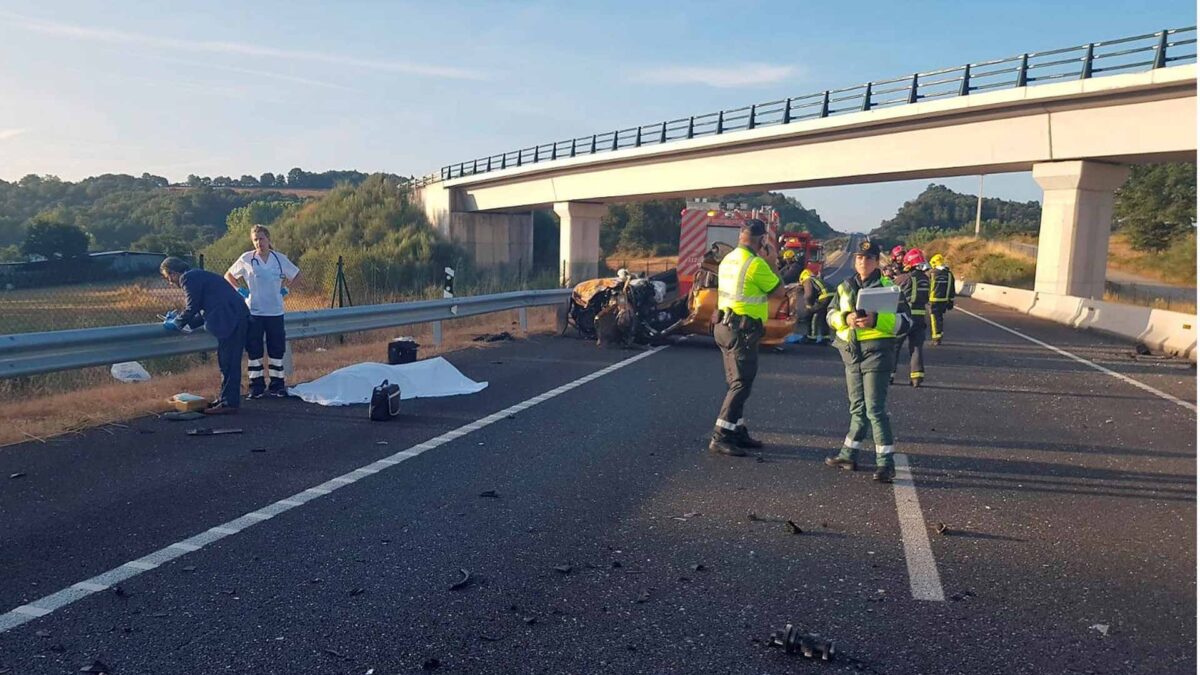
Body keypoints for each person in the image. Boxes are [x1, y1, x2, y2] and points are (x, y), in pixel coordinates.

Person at [824, 240, 912, 482]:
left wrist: (876, 321)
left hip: (878, 353)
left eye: (869, 258)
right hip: (852, 353)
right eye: (859, 258)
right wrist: (845, 317)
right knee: (857, 407)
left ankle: (886, 464)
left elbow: (905, 322)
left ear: (877, 261)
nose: (863, 262)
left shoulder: (888, 287)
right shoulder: (844, 287)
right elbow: (830, 315)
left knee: (874, 409)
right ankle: (848, 455)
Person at [709, 219, 787, 457]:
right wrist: (772, 262)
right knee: (742, 382)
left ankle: (736, 430)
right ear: (762, 240)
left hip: (723, 325)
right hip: (741, 330)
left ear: (741, 236)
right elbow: (779, 290)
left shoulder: (729, 259)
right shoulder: (756, 264)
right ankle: (721, 436)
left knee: (737, 380)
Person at [160, 257, 250, 414]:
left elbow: (192, 306)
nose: (170, 282)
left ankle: (229, 403)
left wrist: (177, 323)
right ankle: (225, 399)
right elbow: (206, 308)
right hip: (234, 317)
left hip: (230, 320)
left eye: (168, 277)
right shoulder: (198, 275)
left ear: (173, 273)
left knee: (228, 362)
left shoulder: (187, 278)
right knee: (228, 362)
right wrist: (186, 323)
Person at [225, 225, 301, 398]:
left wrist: (286, 290)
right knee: (254, 349)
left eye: (262, 238)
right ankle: (256, 385)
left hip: (275, 311)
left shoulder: (279, 259)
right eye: (255, 240)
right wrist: (240, 290)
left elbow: (297, 275)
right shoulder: (246, 258)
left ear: (268, 239)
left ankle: (277, 384)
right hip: (254, 312)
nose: (259, 242)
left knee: (276, 349)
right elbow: (229, 275)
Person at [891, 249, 931, 386]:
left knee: (894, 346)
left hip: (904, 316)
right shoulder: (926, 279)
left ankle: (890, 375)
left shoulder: (902, 279)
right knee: (916, 347)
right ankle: (917, 377)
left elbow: (891, 294)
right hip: (920, 317)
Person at [800, 268, 833, 344]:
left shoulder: (807, 280)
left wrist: (808, 306)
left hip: (824, 297)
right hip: (832, 295)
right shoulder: (816, 279)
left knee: (813, 314)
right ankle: (826, 338)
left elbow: (809, 295)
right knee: (824, 317)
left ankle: (811, 337)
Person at [929, 253, 956, 345]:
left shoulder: (932, 273)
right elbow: (952, 288)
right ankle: (939, 334)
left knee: (934, 318)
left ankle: (936, 337)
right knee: (940, 318)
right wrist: (951, 300)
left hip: (934, 299)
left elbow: (928, 286)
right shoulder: (949, 274)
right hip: (944, 300)